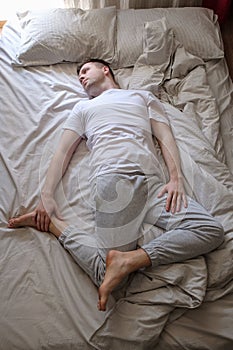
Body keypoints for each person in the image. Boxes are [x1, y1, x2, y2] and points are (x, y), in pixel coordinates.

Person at [8, 59, 224, 312]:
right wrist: (47, 196)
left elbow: (165, 136)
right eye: (78, 76)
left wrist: (175, 179)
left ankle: (129, 259)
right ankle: (56, 227)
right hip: (114, 181)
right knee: (107, 277)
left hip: (154, 185)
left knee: (210, 230)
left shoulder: (141, 97)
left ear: (105, 69)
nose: (81, 77)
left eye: (86, 70)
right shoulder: (83, 108)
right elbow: (62, 152)